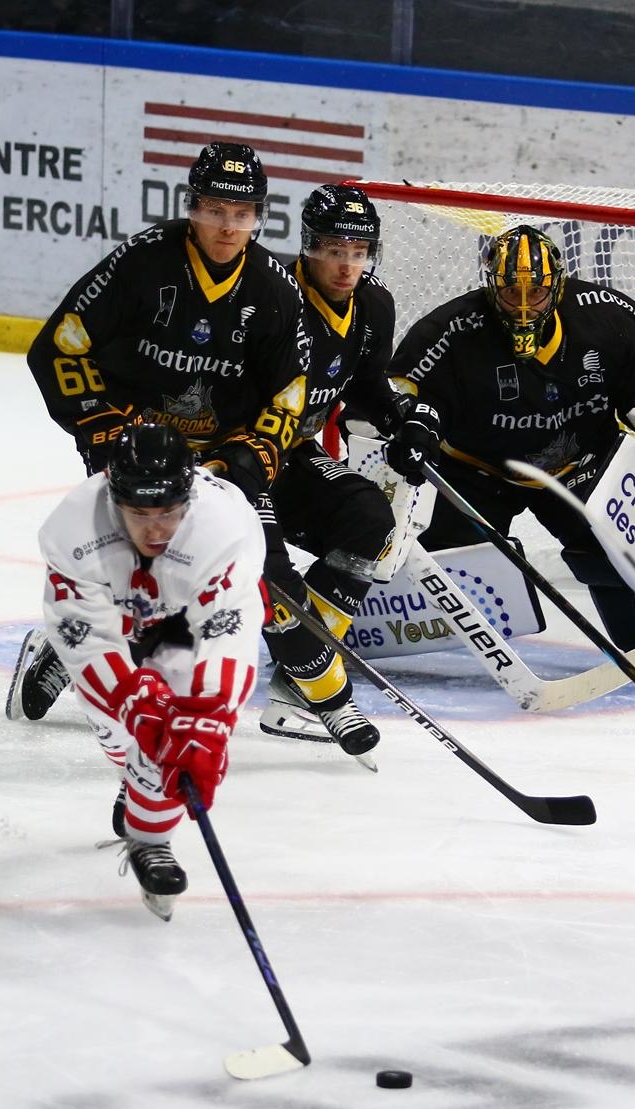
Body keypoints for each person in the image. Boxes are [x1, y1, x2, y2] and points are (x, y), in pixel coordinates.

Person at [10, 140, 309, 731]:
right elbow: (61, 345)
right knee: (127, 565)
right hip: (138, 446)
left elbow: (290, 391)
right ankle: (63, 651)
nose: (228, 225)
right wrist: (103, 428)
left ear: (259, 216)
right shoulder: (142, 262)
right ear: (192, 206)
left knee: (237, 566)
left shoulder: (274, 288)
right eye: (215, 209)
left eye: (241, 212)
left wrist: (249, 458)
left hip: (219, 455)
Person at [383, 223, 635, 653]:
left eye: (538, 294)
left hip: (579, 468)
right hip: (477, 473)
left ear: (558, 286)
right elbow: (396, 392)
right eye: (512, 294)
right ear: (492, 288)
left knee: (627, 570)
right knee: (432, 584)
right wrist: (411, 423)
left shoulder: (606, 318)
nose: (525, 308)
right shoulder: (451, 330)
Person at [34, 423, 265, 921]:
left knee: (177, 726)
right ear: (115, 499)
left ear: (190, 498)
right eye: (139, 514)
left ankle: (150, 841)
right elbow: (88, 638)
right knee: (121, 729)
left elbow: (229, 637)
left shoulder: (223, 534)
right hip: (113, 612)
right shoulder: (73, 529)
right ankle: (128, 764)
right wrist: (133, 700)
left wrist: (207, 719)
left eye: (168, 513)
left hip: (184, 618)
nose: (155, 529)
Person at [252, 184, 404, 760]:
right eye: (335, 249)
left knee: (369, 518)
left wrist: (403, 419)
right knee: (254, 575)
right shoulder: (270, 296)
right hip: (234, 456)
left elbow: (365, 388)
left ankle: (298, 679)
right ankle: (70, 650)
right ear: (310, 246)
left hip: (288, 456)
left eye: (360, 250)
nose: (347, 264)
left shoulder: (374, 305)